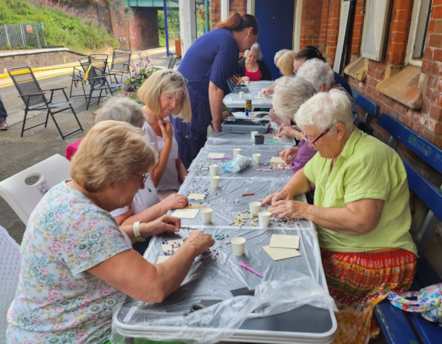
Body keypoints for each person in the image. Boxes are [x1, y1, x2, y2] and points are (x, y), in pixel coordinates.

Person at [6, 121, 214, 344]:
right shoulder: (84, 221)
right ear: (117, 175)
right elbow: (154, 287)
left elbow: (95, 248)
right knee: (204, 333)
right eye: (141, 177)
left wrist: (142, 229)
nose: (142, 187)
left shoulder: (65, 192)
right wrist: (192, 246)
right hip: (72, 337)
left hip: (46, 327)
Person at [263, 90, 417, 344]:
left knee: (294, 280)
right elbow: (307, 174)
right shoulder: (330, 149)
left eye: (312, 138)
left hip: (379, 254)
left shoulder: (368, 157)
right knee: (284, 267)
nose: (308, 144)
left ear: (338, 130)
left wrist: (303, 210)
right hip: (341, 242)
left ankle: (310, 336)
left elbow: (361, 221)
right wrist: (287, 191)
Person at [94, 97, 188, 241]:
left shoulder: (131, 158)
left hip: (154, 230)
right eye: (140, 130)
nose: (143, 135)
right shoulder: (111, 173)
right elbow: (119, 229)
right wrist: (162, 207)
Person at [173, 12, 259, 169]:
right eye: (252, 41)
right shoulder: (228, 42)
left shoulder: (222, 36)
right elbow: (215, 87)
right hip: (192, 102)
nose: (248, 48)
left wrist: (224, 113)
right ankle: (187, 191)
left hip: (192, 100)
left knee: (193, 149)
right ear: (249, 31)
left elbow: (222, 81)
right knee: (190, 157)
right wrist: (217, 123)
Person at [137, 69, 191, 199]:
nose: (174, 105)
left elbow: (177, 163)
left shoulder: (164, 121)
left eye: (177, 100)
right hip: (155, 197)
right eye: (169, 97)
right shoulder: (141, 127)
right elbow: (153, 179)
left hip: (173, 190)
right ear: (155, 93)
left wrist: (190, 185)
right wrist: (167, 143)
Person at [272, 77, 317, 175]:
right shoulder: (316, 114)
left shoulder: (315, 127)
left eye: (292, 118)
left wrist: (300, 149)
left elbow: (298, 167)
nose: (294, 121)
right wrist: (298, 149)